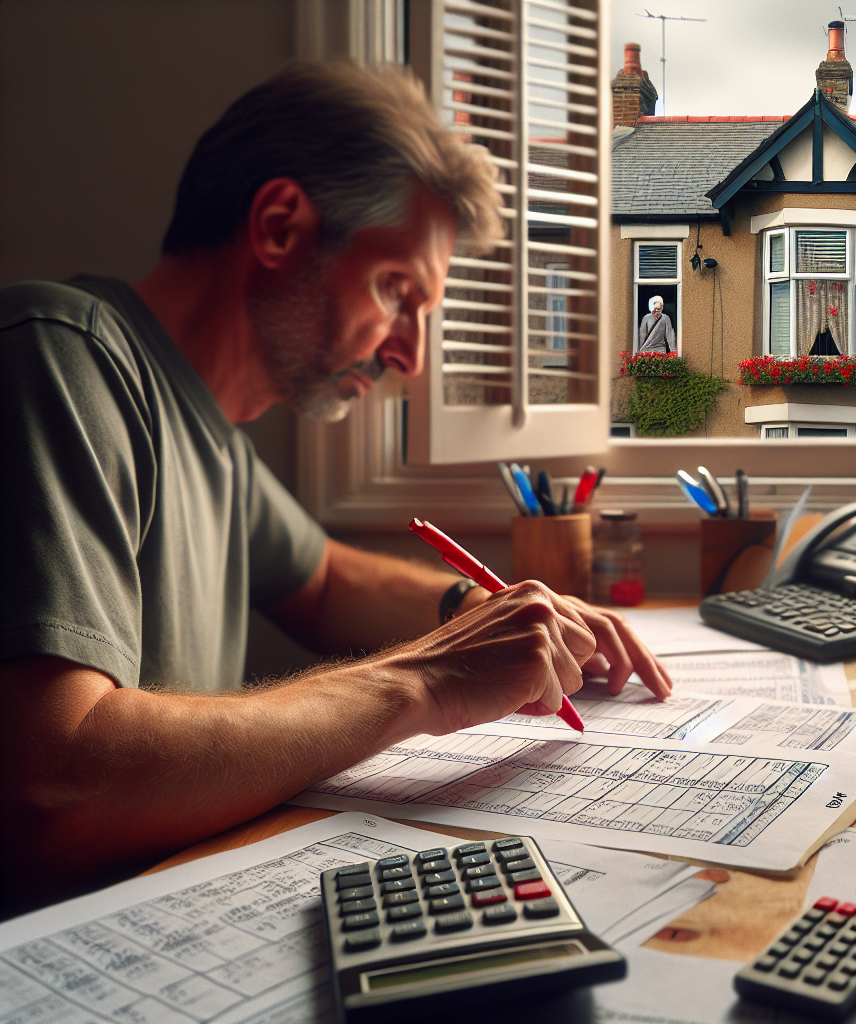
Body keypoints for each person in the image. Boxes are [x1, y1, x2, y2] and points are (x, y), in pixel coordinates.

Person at [0, 61, 672, 914]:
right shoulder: (59, 358)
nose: (409, 356)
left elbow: (323, 581)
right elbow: (54, 787)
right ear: (280, 227)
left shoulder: (213, 437)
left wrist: (479, 609)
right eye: (396, 291)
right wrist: (427, 680)